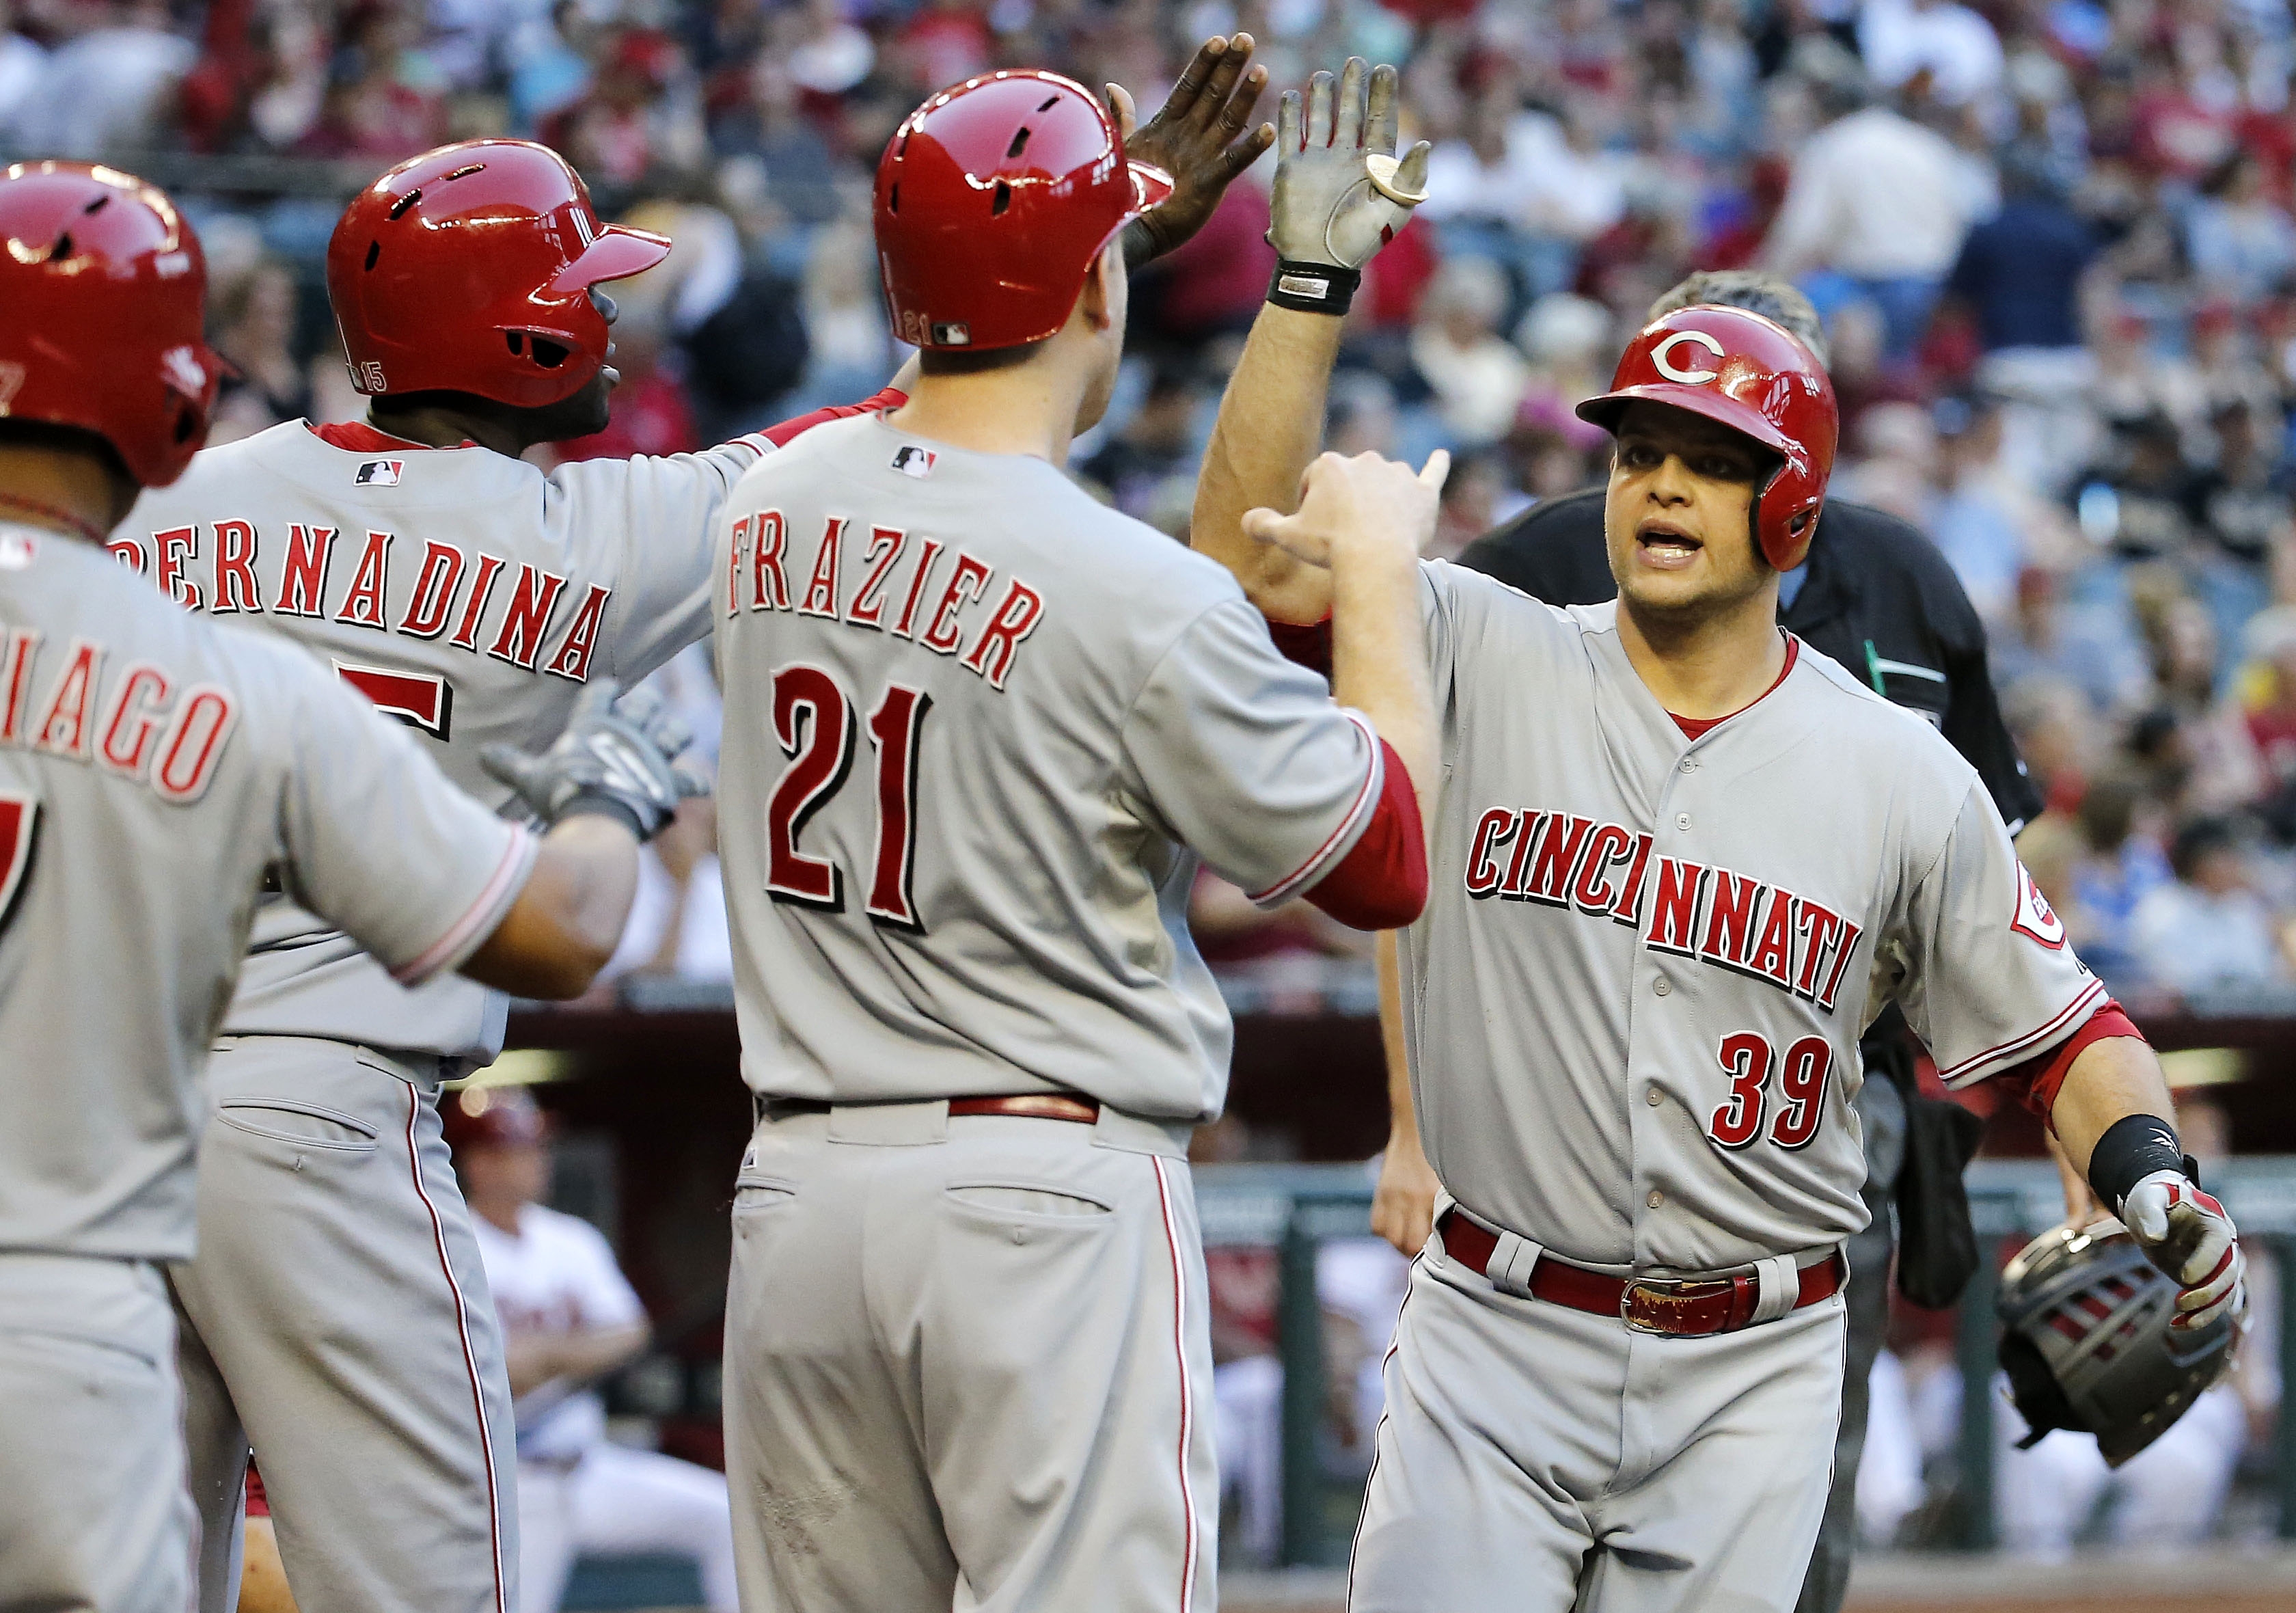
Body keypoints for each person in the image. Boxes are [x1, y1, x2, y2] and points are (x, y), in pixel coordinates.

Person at [120, 36, 1276, 1613]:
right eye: (583, 287)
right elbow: (919, 422)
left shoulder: (181, 501)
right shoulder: (597, 535)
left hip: (94, 1109)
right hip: (332, 1107)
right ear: (519, 332)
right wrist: (1097, 236)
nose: (611, 313)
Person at [1190, 293, 2245, 1610]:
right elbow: (1246, 569)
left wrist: (2150, 1164)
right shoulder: (1475, 640)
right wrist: (1301, 297)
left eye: (1716, 461)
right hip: (1496, 1326)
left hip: (1754, 1366)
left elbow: (2068, 1032)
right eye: (1641, 455)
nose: (1666, 489)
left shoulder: (1897, 773)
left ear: (1792, 505)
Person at [709, 59, 1435, 1610]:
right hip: (1042, 1201)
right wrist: (1374, 577)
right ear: (1102, 284)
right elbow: (1385, 861)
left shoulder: (764, 501)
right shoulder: (1134, 590)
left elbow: (892, 418)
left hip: (797, 1203)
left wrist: (1097, 230)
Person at [0, 158, 672, 1613]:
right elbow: (556, 933)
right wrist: (618, 796)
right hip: (327, 1093)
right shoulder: (558, 547)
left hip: (80, 1148)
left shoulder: (162, 544)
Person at [1435, 267, 2042, 1613]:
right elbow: (1415, 832)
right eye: (1666, 435)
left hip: (1828, 1099)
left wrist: (2007, 1102)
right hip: (1562, 1081)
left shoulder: (1908, 576)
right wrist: (1416, 1122)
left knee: (1794, 1502)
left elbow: (1997, 877)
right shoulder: (1546, 559)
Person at [446, 1089, 738, 1613]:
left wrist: (545, 1355)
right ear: (480, 1163)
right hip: (503, 1486)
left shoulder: (568, 1239)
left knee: (726, 1518)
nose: (539, 1161)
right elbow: (473, 1374)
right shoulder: (452, 1243)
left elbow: (630, 1335)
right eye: (521, 1149)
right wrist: (559, 1354)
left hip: (585, 1469)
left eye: (538, 1147)